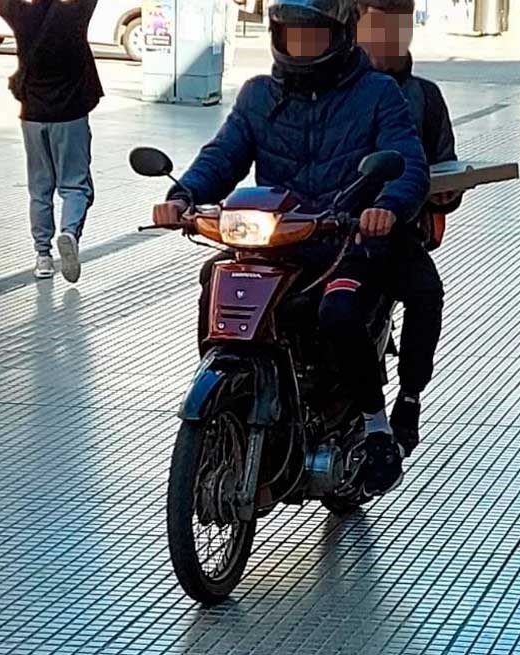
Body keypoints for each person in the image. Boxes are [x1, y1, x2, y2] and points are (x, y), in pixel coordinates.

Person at [152, 0, 430, 495]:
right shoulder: (259, 95)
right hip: (276, 244)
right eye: (292, 36)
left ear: (341, 35)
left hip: (346, 243)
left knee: (339, 311)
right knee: (215, 281)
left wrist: (386, 206)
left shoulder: (377, 93)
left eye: (313, 36)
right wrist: (183, 196)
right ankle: (228, 403)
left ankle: (375, 426)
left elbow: (407, 161)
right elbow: (224, 154)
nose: (302, 47)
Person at [356, 0, 461, 456]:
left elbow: (446, 167)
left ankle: (409, 396)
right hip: (327, 229)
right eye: (375, 27)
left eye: (396, 28)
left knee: (425, 293)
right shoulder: (331, 89)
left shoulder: (424, 97)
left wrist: (444, 195)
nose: (386, 39)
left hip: (396, 231)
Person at [0, 0, 103, 283]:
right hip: (70, 115)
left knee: (40, 190)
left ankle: (43, 256)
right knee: (75, 185)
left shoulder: (23, 15)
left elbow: (1, 3)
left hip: (32, 116)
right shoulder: (75, 14)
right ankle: (69, 232)